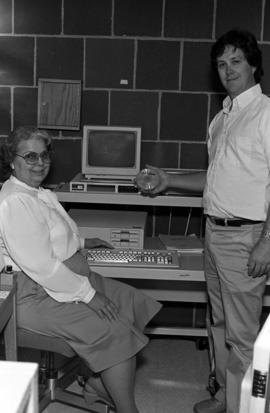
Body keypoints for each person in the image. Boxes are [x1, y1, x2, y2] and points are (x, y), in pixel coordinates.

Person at [136, 28, 270, 413]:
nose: (228, 70)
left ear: (254, 65)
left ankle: (244, 407)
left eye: (236, 62)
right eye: (221, 64)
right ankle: (224, 397)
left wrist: (266, 240)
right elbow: (212, 178)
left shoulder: (264, 114)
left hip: (247, 236)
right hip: (214, 232)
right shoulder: (222, 118)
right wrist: (168, 182)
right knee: (220, 322)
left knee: (242, 334)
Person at [0, 125, 162, 413]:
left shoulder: (35, 192)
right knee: (113, 329)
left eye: (44, 155)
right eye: (30, 156)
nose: (40, 163)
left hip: (62, 278)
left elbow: (49, 235)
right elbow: (40, 264)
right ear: (11, 159)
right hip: (32, 293)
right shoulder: (15, 200)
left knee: (130, 301)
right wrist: (88, 295)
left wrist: (84, 240)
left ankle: (98, 385)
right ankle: (127, 408)